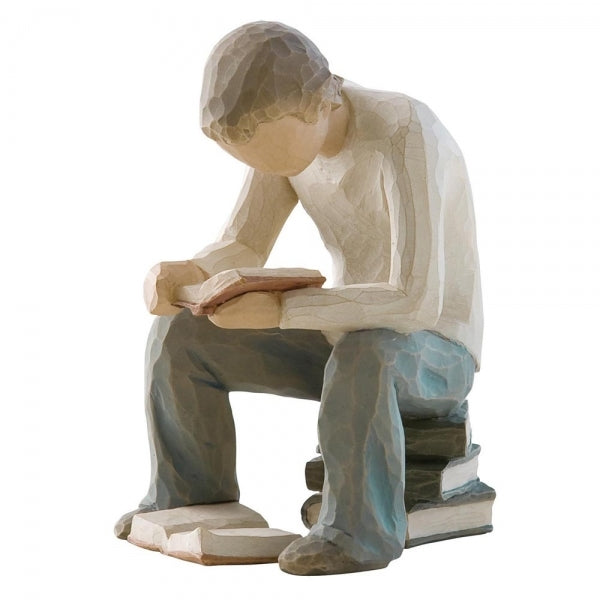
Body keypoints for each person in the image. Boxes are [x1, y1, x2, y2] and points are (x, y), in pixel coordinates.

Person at [115, 21, 483, 576]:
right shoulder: (288, 142)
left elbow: (414, 301)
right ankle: (190, 498)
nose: (266, 170)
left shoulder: (406, 132)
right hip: (346, 335)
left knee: (369, 352)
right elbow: (245, 241)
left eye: (267, 153)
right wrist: (187, 275)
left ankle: (357, 532)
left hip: (432, 351)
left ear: (316, 104)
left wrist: (285, 310)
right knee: (183, 335)